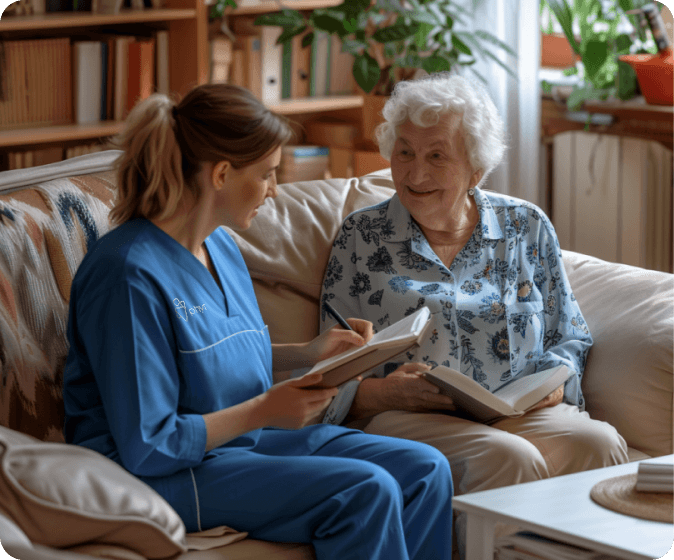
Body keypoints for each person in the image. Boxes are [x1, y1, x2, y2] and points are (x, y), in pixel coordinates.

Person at [62, 84, 454, 560]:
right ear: (222, 174)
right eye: (268, 175)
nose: (273, 190)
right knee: (364, 489)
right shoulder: (126, 275)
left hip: (238, 445)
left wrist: (308, 354)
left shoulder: (221, 246)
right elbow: (149, 444)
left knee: (426, 469)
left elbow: (208, 353)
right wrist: (264, 411)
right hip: (156, 473)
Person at [318, 72, 629, 555]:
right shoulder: (361, 237)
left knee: (599, 442)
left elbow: (569, 333)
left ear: (476, 170)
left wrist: (550, 385)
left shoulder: (526, 227)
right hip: (409, 415)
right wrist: (380, 393)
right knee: (509, 458)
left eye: (437, 155)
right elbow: (330, 363)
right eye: (405, 152)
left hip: (519, 409)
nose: (415, 173)